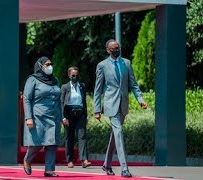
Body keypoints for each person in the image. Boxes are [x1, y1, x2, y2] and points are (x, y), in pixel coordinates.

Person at [93, 39, 147, 177]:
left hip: (123, 103)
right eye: (114, 48)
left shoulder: (126, 63)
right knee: (118, 133)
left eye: (118, 47)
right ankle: (124, 168)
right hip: (111, 104)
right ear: (108, 50)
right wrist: (97, 109)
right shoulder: (102, 65)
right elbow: (98, 89)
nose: (117, 50)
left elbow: (133, 84)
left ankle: (106, 164)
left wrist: (140, 99)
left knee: (114, 135)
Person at [22, 56, 63, 177]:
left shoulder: (55, 80)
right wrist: (28, 117)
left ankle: (49, 169)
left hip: (53, 115)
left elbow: (58, 99)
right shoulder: (33, 79)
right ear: (40, 66)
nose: (50, 66)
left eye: (51, 64)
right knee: (37, 143)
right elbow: (27, 99)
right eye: (47, 64)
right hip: (38, 116)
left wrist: (61, 117)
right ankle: (27, 160)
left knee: (52, 143)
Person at [61, 66, 92, 168]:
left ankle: (84, 160)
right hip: (69, 113)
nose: (75, 77)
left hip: (80, 113)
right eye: (73, 75)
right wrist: (63, 117)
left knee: (82, 136)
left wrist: (86, 116)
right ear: (69, 75)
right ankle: (69, 160)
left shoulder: (82, 86)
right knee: (69, 137)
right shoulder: (65, 87)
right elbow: (61, 103)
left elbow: (84, 102)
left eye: (77, 75)